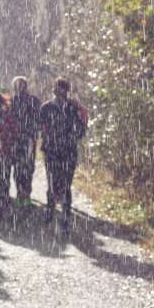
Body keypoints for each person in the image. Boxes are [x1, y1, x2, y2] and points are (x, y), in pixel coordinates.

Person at [39, 77, 88, 233]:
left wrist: (73, 137)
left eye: (64, 89)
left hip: (68, 151)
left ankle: (65, 217)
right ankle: (50, 212)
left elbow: (82, 127)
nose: (61, 92)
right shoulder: (46, 107)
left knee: (66, 184)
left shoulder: (73, 108)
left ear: (67, 91)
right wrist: (49, 138)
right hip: (51, 151)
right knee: (52, 183)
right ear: (54, 90)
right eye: (58, 88)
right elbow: (40, 127)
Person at [9, 76, 42, 208]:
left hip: (29, 138)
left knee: (28, 166)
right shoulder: (11, 101)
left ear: (26, 86)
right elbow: (8, 119)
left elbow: (39, 119)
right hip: (15, 139)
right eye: (17, 85)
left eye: (22, 84)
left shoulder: (33, 100)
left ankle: (27, 193)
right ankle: (19, 192)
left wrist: (33, 131)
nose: (20, 87)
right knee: (17, 167)